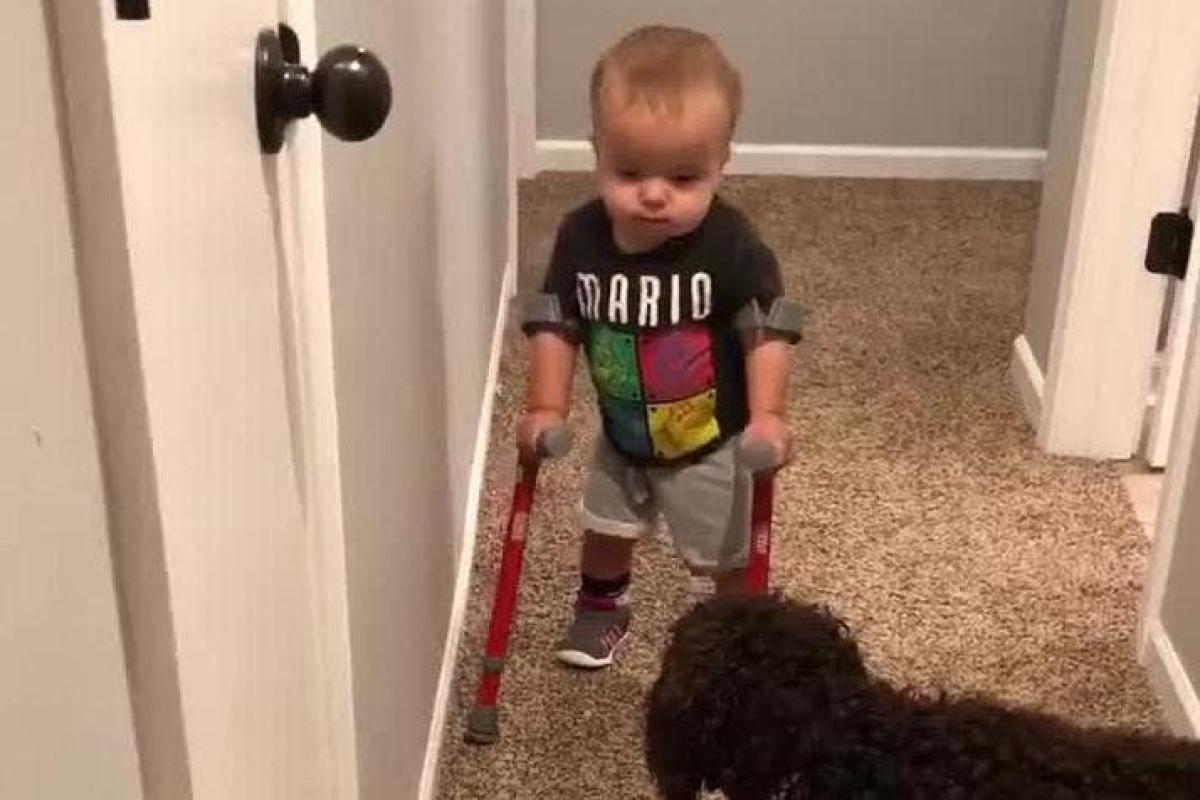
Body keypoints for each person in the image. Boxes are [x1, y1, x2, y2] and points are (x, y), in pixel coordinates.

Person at [519, 25, 801, 669]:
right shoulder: (581, 237)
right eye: (629, 171)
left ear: (722, 163)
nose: (653, 193)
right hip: (623, 435)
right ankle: (602, 609)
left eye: (683, 176)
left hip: (710, 439)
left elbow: (765, 330)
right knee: (605, 527)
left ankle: (737, 638)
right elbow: (557, 323)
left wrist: (769, 416)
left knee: (726, 553)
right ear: (596, 152)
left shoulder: (729, 243)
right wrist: (544, 408)